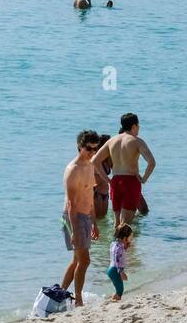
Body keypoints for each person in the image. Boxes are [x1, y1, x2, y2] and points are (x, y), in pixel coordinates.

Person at [60, 130, 101, 305]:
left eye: (95, 149)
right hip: (73, 218)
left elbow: (90, 195)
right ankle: (78, 300)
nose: (92, 152)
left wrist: (94, 222)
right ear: (80, 147)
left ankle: (61, 294)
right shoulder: (72, 169)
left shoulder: (90, 166)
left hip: (85, 217)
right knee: (85, 261)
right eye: (89, 148)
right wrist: (75, 230)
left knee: (77, 260)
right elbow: (71, 203)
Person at [96, 113, 155, 228]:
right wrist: (143, 179)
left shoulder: (111, 141)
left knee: (117, 223)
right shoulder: (137, 141)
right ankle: (123, 246)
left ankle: (113, 245)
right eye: (138, 125)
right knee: (125, 225)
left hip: (115, 182)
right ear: (134, 126)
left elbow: (95, 161)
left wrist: (108, 180)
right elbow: (152, 162)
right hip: (130, 182)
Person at [107, 223, 132, 301]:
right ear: (124, 238)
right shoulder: (119, 247)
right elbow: (117, 258)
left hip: (112, 269)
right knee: (120, 290)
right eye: (130, 238)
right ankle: (114, 300)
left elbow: (116, 255)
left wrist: (125, 247)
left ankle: (113, 299)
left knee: (119, 288)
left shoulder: (115, 244)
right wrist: (121, 272)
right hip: (115, 270)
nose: (130, 241)